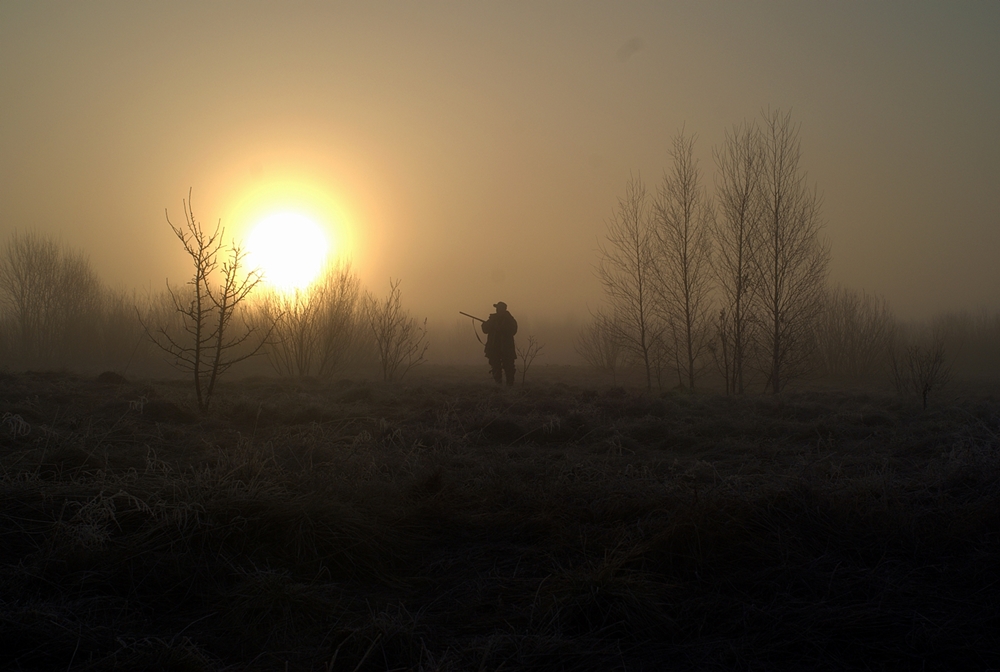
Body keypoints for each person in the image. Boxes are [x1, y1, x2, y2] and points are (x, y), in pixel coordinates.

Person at [481, 301, 518, 385]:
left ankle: (509, 385)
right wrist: (485, 324)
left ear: (503, 309)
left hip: (507, 348)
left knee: (509, 367)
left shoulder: (510, 320)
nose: (497, 310)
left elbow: (513, 331)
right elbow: (485, 330)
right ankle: (498, 384)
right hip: (494, 347)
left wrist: (501, 329)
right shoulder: (493, 319)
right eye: (497, 308)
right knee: (495, 367)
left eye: (498, 308)